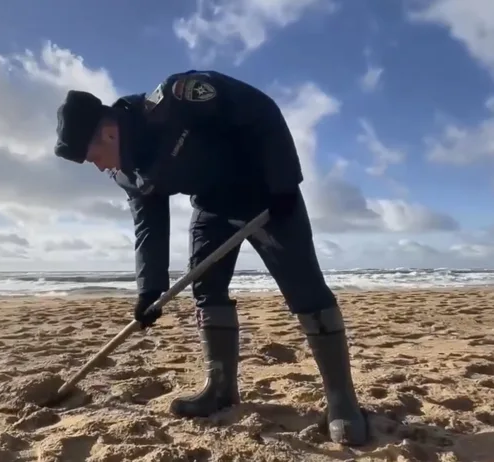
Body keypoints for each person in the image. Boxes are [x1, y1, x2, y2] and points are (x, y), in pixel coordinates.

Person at [52, 70, 368, 446]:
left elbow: (261, 111)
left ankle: (342, 402)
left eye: (95, 158)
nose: (100, 167)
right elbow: (148, 223)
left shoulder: (176, 100)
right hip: (213, 207)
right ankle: (220, 390)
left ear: (107, 132)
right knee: (206, 289)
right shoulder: (125, 173)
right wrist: (149, 290)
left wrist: (282, 182)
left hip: (266, 193)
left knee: (306, 291)